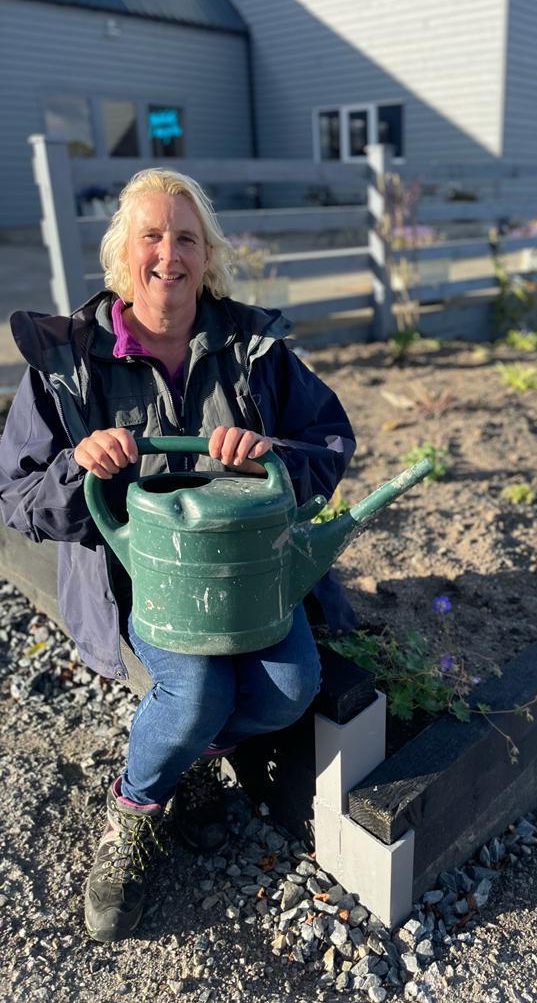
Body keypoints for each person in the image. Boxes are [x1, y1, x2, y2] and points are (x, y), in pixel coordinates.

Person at [0, 168, 356, 942]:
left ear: (208, 255)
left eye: (187, 238)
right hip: (139, 576)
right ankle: (133, 812)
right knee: (194, 691)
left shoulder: (252, 348)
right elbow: (17, 496)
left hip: (247, 569)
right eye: (152, 236)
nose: (170, 254)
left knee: (291, 686)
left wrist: (271, 456)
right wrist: (79, 466)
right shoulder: (69, 361)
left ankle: (189, 757)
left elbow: (330, 441)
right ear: (122, 254)